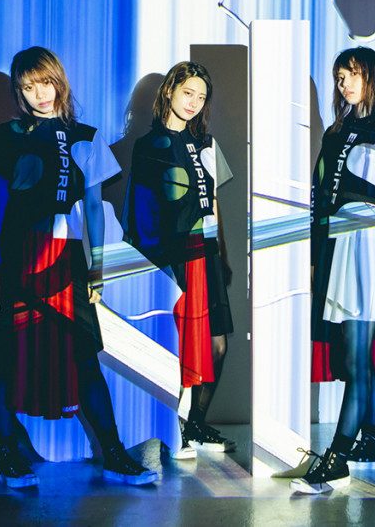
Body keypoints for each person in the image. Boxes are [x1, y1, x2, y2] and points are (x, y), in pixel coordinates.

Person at [0, 46, 156, 487]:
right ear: (18, 91)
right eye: (28, 86)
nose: (39, 93)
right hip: (16, 257)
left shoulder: (85, 135)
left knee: (85, 356)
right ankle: (7, 454)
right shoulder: (7, 135)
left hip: (67, 260)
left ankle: (113, 454)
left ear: (60, 82)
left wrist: (97, 267)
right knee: (5, 357)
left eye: (45, 83)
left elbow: (93, 207)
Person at [291, 47, 375, 495]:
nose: (345, 84)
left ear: (372, 77)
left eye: (353, 75)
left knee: (359, 356)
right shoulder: (336, 131)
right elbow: (320, 194)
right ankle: (372, 441)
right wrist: (314, 255)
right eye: (340, 77)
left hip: (367, 248)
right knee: (353, 352)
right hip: (335, 245)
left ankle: (337, 458)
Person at [124, 61, 236, 459]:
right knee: (177, 345)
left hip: (207, 255)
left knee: (218, 345)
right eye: (188, 92)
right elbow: (140, 212)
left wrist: (223, 254)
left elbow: (214, 204)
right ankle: (172, 430)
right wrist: (155, 266)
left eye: (201, 97)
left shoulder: (208, 144)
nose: (193, 102)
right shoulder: (147, 145)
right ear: (170, 91)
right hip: (171, 259)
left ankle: (196, 423)